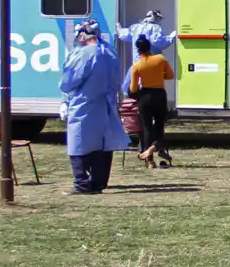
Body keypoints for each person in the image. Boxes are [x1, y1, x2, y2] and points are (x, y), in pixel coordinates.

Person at [59, 20, 129, 195]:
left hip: (83, 105)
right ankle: (98, 182)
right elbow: (116, 81)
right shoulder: (110, 52)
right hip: (106, 105)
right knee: (103, 144)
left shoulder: (83, 54)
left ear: (82, 35)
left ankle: (82, 184)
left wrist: (65, 98)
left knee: (78, 143)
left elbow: (68, 82)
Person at [128, 36, 175, 168]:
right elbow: (170, 75)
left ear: (138, 50)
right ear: (150, 47)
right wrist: (159, 76)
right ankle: (153, 148)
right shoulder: (160, 59)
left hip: (145, 97)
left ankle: (149, 160)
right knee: (159, 126)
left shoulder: (137, 66)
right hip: (159, 95)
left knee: (146, 128)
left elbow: (133, 88)